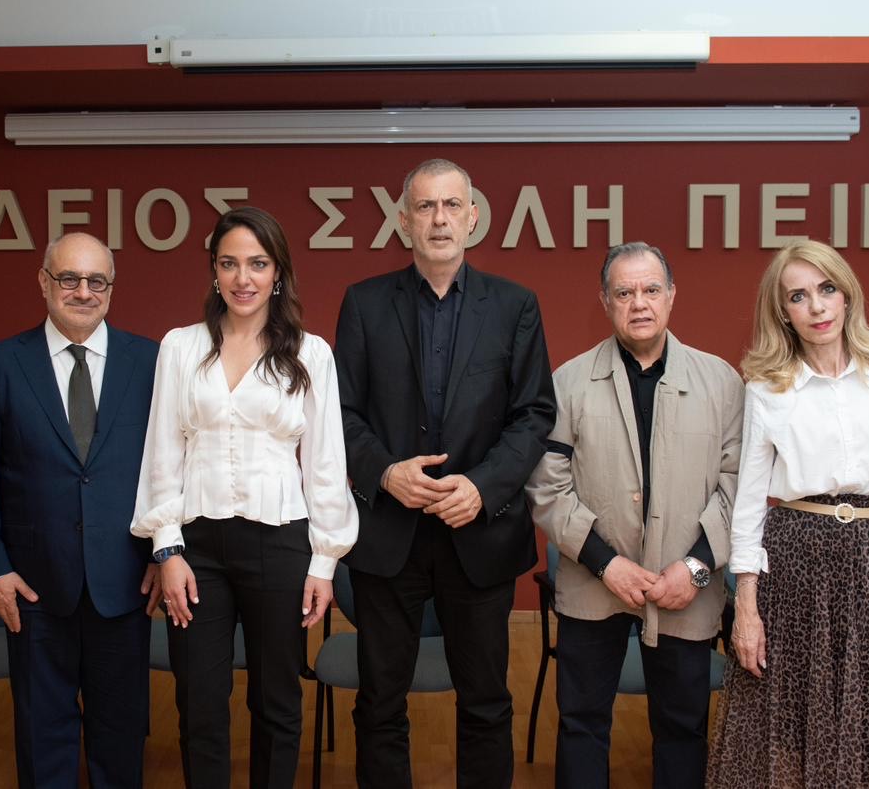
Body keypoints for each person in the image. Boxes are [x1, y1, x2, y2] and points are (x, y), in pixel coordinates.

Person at [333, 158, 556, 789]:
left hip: (478, 535)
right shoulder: (364, 304)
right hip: (389, 535)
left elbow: (534, 413)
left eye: (451, 205)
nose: (439, 219)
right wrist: (384, 472)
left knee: (485, 703)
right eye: (425, 206)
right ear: (404, 221)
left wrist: (482, 487)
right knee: (380, 703)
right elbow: (339, 413)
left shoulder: (514, 306)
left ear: (473, 217)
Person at [132, 206, 358, 789]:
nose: (243, 278)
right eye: (229, 263)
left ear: (278, 272)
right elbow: (162, 452)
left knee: (276, 700)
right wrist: (166, 549)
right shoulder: (180, 347)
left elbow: (326, 465)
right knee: (199, 702)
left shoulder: (311, 354)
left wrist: (324, 562)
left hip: (280, 544)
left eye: (258, 264)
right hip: (196, 549)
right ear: (213, 271)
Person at [707, 239, 869, 788]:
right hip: (794, 566)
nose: (816, 306)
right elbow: (749, 506)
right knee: (787, 725)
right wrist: (746, 608)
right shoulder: (768, 389)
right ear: (783, 311)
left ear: (846, 294)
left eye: (826, 289)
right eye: (798, 296)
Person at [526, 242, 743, 788]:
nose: (639, 303)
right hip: (593, 581)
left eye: (650, 289)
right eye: (624, 292)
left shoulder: (721, 383)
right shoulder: (568, 382)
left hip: (685, 589)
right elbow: (548, 487)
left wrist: (695, 569)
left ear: (671, 295)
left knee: (683, 728)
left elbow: (739, 487)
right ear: (605, 301)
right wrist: (607, 564)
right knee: (581, 724)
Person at [0, 232, 159, 788]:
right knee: (42, 732)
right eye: (69, 278)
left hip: (126, 579)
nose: (83, 292)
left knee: (121, 733)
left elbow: (173, 467)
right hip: (32, 584)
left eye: (97, 281)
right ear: (43, 282)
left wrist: (162, 554)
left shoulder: (151, 362)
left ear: (111, 289)